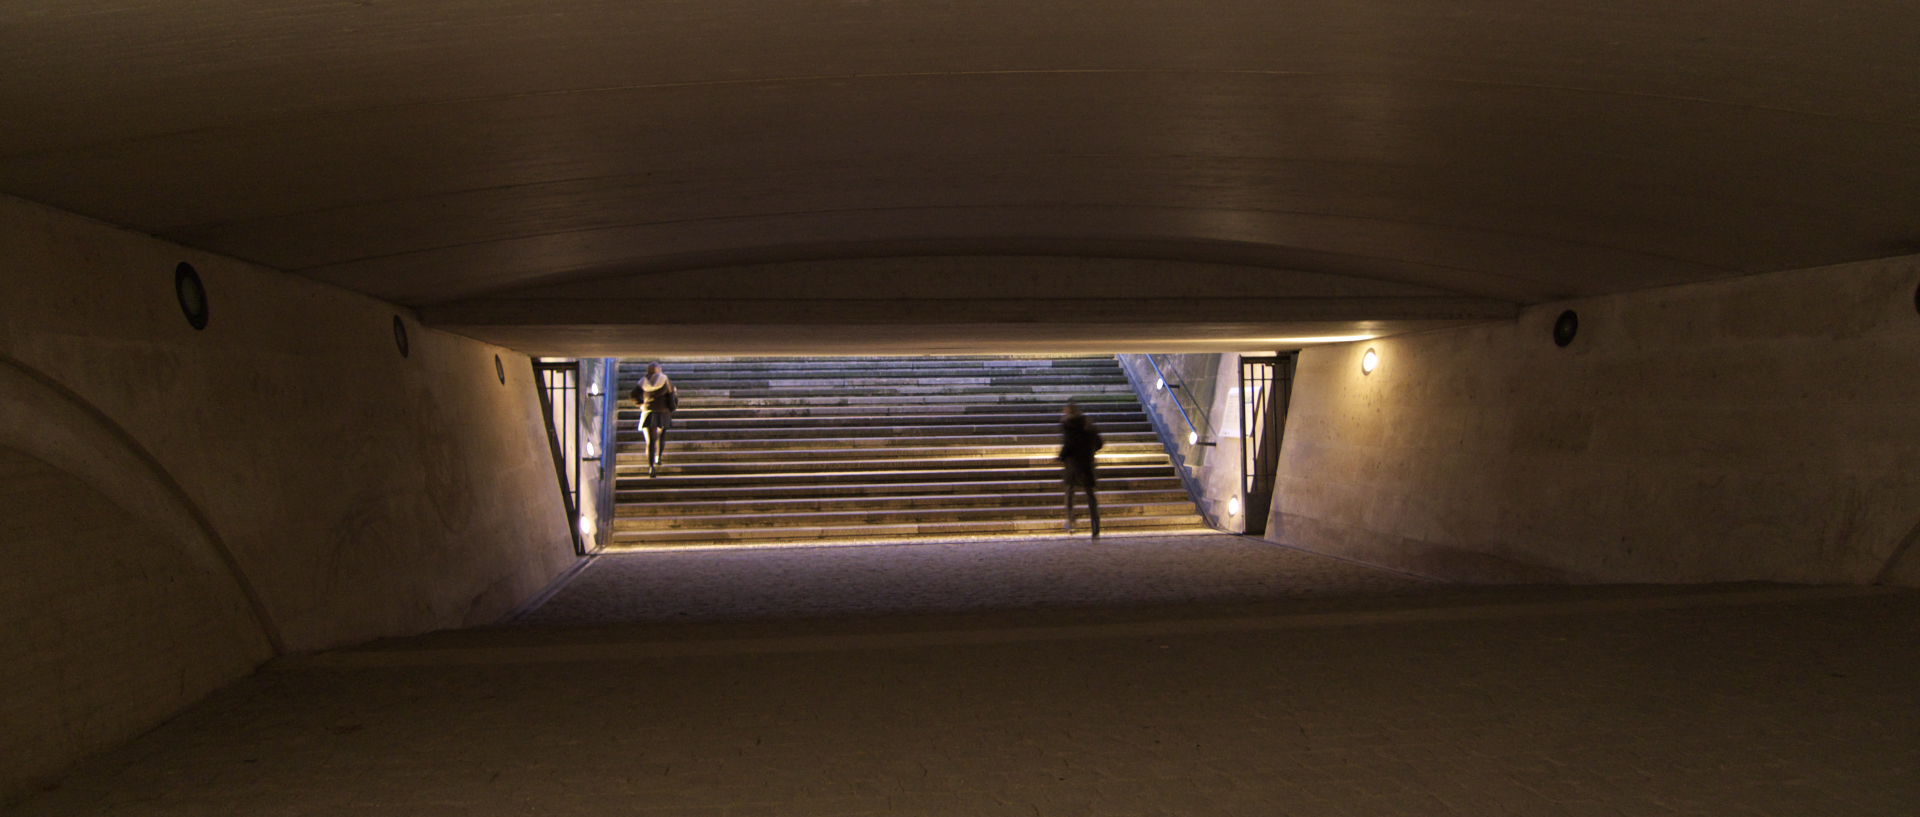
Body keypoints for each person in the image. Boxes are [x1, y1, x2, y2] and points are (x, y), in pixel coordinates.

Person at [1059, 401, 1104, 538]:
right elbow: (1099, 443)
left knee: (1070, 493)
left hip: (1073, 464)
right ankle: (1095, 526)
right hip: (1087, 463)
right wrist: (1090, 451)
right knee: (1090, 496)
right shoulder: (1088, 424)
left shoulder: (1068, 425)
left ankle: (1071, 522)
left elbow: (1069, 443)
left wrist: (1061, 457)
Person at [630, 362, 676, 477]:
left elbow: (633, 395)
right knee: (662, 435)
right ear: (659, 369)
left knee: (650, 441)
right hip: (663, 411)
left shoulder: (643, 381)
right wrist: (672, 408)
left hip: (648, 412)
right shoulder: (665, 380)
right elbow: (671, 395)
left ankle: (651, 467)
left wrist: (641, 404)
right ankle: (659, 457)